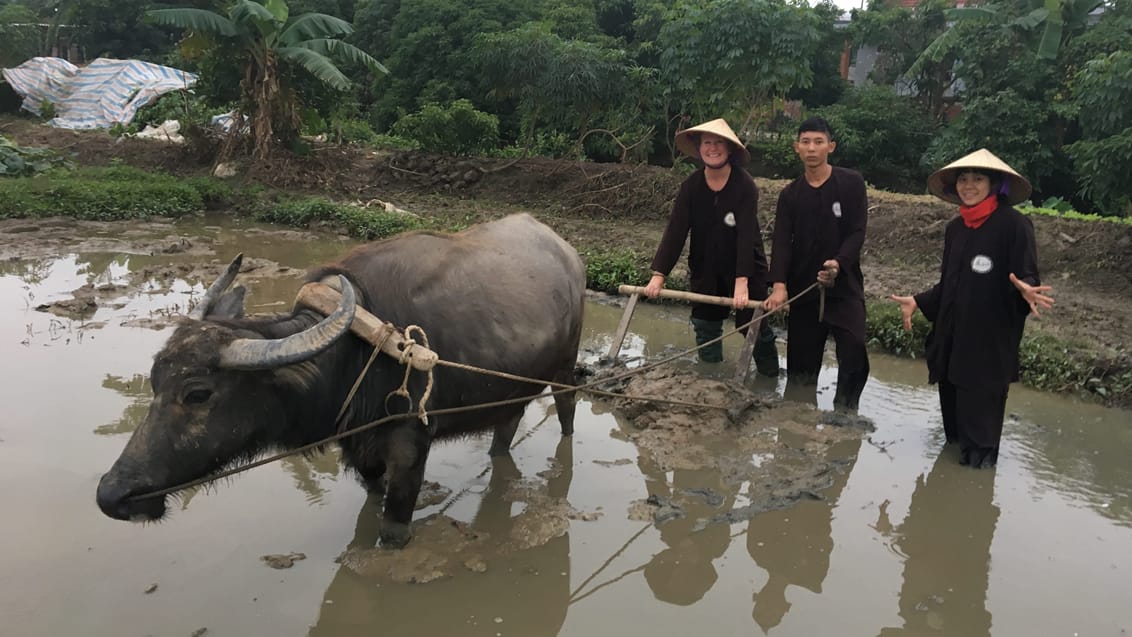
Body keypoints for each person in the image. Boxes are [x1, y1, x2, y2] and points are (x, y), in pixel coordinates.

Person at [891, 149, 1054, 468]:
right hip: (952, 341)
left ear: (994, 184)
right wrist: (918, 301)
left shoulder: (1014, 226)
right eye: (963, 179)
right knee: (953, 435)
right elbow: (950, 285)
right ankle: (951, 501)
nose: (968, 185)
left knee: (979, 445)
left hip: (987, 347)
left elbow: (1026, 274)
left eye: (977, 179)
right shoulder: (956, 229)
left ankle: (978, 485)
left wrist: (1026, 288)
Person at [644, 118, 778, 373]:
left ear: (729, 149)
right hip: (705, 264)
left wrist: (742, 282)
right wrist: (659, 275)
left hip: (747, 265)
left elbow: (746, 235)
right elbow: (676, 231)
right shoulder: (691, 187)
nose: (712, 148)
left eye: (719, 143)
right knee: (705, 324)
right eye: (707, 143)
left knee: (752, 325)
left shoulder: (744, 185)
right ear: (699, 148)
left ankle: (769, 378)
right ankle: (710, 378)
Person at [764, 117, 869, 409]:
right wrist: (779, 286)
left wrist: (838, 263)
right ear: (797, 147)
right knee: (801, 366)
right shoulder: (790, 195)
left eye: (818, 142)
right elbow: (782, 242)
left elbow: (857, 231)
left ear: (830, 147)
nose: (812, 148)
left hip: (844, 287)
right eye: (806, 142)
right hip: (804, 290)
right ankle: (796, 421)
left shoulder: (851, 184)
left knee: (854, 350)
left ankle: (846, 413)